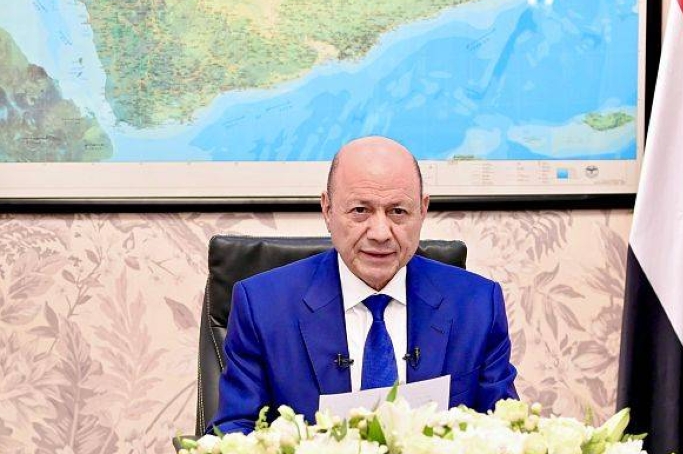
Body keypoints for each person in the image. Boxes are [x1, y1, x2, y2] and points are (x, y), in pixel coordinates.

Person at [212, 136, 517, 434]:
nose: (380, 233)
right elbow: (233, 431)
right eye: (360, 210)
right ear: (327, 209)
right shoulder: (263, 306)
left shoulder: (477, 304)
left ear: (423, 210)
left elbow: (507, 432)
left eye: (398, 211)